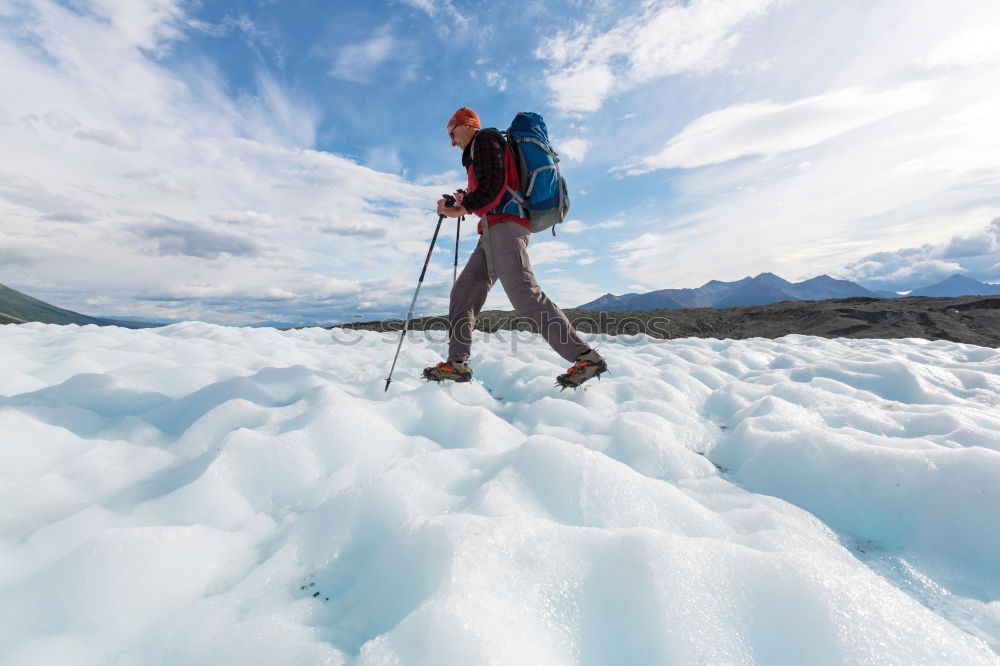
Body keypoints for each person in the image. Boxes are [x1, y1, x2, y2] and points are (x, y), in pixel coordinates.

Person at [423, 107, 607, 389]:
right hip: (492, 232)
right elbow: (493, 185)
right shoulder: (482, 148)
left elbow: (494, 186)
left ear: (467, 125)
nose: (452, 141)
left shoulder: (485, 139)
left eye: (452, 133)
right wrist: (466, 198)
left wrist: (461, 208)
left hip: (505, 228)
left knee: (524, 293)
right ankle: (457, 364)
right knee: (463, 294)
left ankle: (586, 357)